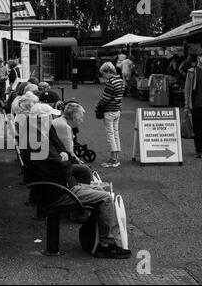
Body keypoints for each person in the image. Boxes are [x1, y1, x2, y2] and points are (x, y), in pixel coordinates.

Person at [24, 104, 131, 259]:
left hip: (56, 185)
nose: (53, 118)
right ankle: (105, 244)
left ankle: (97, 237)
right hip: (58, 190)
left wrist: (64, 158)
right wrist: (64, 160)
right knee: (106, 198)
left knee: (102, 193)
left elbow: (63, 153)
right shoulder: (38, 141)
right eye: (50, 116)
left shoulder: (40, 133)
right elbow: (63, 166)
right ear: (42, 119)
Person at [96, 62, 125, 168]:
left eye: (103, 73)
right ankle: (116, 158)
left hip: (109, 111)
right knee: (116, 134)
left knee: (110, 135)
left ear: (108, 71)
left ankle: (113, 160)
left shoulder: (111, 82)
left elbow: (105, 98)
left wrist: (98, 105)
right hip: (117, 110)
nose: (103, 76)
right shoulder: (120, 81)